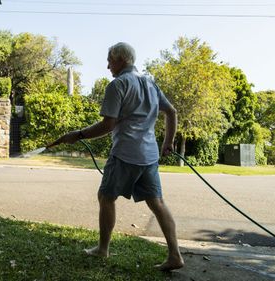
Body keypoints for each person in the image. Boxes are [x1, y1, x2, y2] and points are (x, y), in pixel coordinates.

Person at [49, 42, 184, 271]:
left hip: (125, 154)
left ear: (121, 60)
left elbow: (107, 125)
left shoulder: (118, 84)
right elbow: (171, 112)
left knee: (106, 197)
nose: (108, 65)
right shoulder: (150, 82)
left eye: (110, 60)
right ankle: (175, 255)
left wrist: (78, 134)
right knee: (157, 203)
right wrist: (167, 142)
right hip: (149, 156)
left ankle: (103, 249)